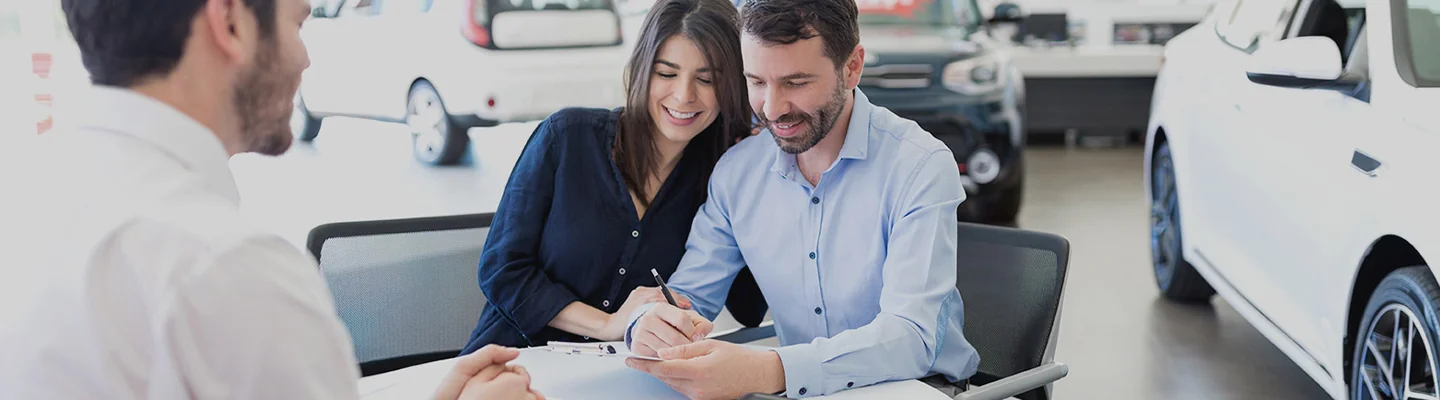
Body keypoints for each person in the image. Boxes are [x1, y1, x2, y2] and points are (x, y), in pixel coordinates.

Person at [0, 0, 540, 399]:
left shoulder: (31, 190)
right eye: (298, 23)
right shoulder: (226, 265)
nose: (305, 59)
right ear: (231, 22)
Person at [620, 0, 983, 397]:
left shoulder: (918, 165)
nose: (772, 109)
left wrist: (770, 369)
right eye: (757, 82)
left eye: (796, 82)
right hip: (802, 390)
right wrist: (650, 323)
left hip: (917, 388)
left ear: (852, 68)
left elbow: (911, 336)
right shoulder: (737, 172)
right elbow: (690, 296)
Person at [458, 0, 755, 354]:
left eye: (707, 79)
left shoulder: (719, 178)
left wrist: (761, 177)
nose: (684, 95)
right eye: (666, 73)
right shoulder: (567, 137)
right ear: (643, 69)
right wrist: (608, 324)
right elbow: (502, 270)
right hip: (512, 365)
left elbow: (748, 308)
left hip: (625, 379)